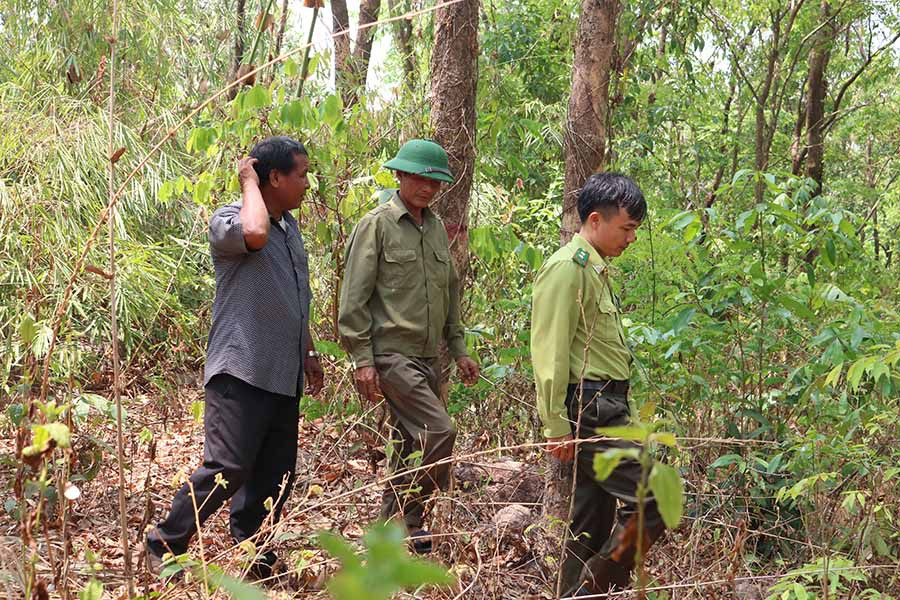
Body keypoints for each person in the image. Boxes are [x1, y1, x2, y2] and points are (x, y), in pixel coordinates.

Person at [145, 136, 324, 579]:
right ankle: (165, 541)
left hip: (283, 375)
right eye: (300, 174)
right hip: (241, 369)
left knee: (274, 473)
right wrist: (248, 179)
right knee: (228, 466)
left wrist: (309, 350)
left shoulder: (291, 229)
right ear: (275, 177)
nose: (308, 184)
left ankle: (254, 556)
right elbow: (255, 233)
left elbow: (295, 296)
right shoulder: (228, 220)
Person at [337, 139, 480, 554]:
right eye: (419, 177)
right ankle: (408, 510)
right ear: (399, 175)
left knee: (406, 442)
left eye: (434, 181)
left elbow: (449, 292)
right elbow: (353, 299)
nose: (427, 187)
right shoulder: (377, 225)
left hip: (428, 356)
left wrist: (459, 348)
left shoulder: (435, 227)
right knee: (440, 431)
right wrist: (363, 360)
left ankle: (396, 525)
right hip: (391, 354)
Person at [530, 173, 665, 596]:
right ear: (595, 219)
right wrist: (554, 422)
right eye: (626, 228)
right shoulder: (568, 269)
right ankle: (593, 589)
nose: (631, 239)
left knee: (589, 524)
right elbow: (549, 349)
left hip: (608, 406)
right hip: (590, 410)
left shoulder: (596, 271)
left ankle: (572, 593)